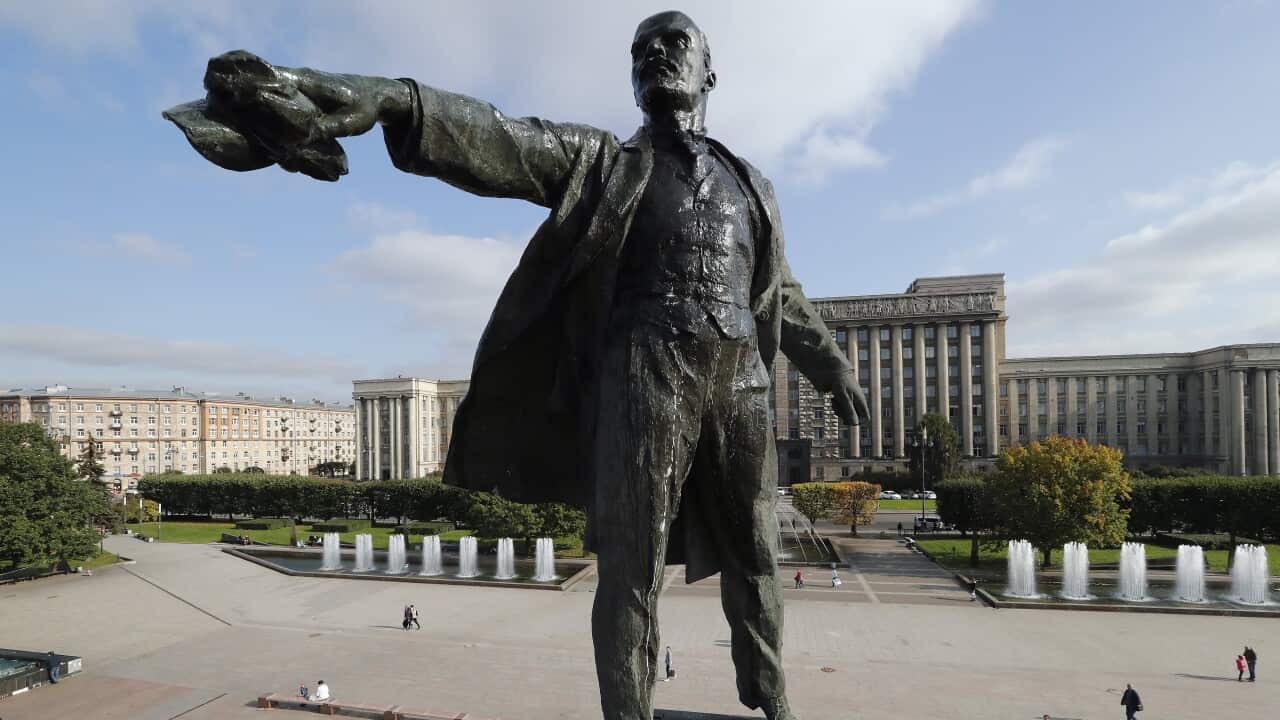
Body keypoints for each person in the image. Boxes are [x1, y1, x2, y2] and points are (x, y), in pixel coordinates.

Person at [166, 13, 870, 720]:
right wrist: (394, 99)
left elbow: (779, 292)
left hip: (742, 377)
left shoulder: (753, 184)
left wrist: (831, 364)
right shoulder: (602, 163)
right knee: (632, 567)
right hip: (647, 371)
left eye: (673, 42)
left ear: (709, 71)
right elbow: (498, 136)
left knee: (758, 554)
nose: (655, 55)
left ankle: (774, 700)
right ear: (631, 82)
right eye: (639, 50)